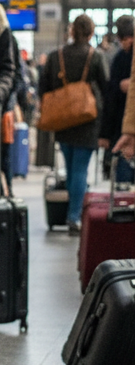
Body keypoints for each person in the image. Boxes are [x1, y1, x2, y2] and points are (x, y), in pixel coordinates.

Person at [39, 14, 107, 235]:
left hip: (62, 120)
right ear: (90, 33)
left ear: (71, 31)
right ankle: (74, 216)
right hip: (87, 121)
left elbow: (44, 87)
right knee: (80, 170)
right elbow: (105, 88)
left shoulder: (55, 56)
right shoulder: (94, 56)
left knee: (70, 169)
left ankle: (74, 211)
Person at [98, 15, 134, 184]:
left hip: (123, 129)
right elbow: (110, 97)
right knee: (123, 184)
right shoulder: (119, 59)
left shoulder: (118, 58)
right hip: (123, 129)